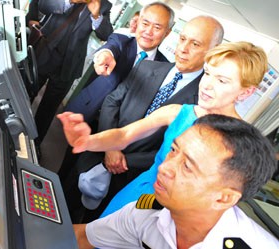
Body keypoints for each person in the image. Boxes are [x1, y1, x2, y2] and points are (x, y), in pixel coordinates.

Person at [58, 41, 268, 219]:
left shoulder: (242, 143)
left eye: (222, 80)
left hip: (177, 215)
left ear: (246, 92)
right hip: (138, 193)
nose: (207, 85)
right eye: (207, 73)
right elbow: (124, 135)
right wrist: (87, 140)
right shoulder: (178, 112)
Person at [60, 15, 224, 223]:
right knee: (58, 208)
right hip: (94, 160)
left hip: (131, 180)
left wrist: (124, 160)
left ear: (213, 51)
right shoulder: (148, 67)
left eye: (195, 44)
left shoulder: (202, 104)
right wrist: (111, 148)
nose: (183, 49)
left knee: (94, 230)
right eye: (182, 39)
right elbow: (112, 101)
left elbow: (174, 150)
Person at [73, 114, 279, 249]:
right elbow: (82, 237)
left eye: (188, 166)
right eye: (173, 151)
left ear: (224, 198)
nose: (164, 168)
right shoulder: (147, 214)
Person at [65, 2, 174, 123]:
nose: (148, 31)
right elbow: (111, 47)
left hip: (121, 128)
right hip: (90, 113)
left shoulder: (165, 68)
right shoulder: (121, 41)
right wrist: (104, 55)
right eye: (145, 23)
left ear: (167, 32)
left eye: (157, 27)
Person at [33, 0, 113, 147]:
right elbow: (43, 5)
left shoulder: (104, 5)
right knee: (27, 93)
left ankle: (34, 143)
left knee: (49, 108)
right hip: (46, 51)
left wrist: (96, 16)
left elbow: (106, 34)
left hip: (69, 64)